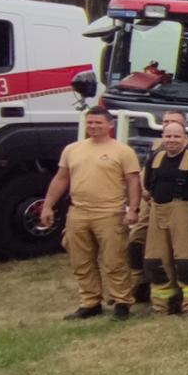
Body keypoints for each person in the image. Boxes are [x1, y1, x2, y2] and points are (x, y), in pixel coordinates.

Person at [44, 107, 142, 320]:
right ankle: (90, 302)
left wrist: (133, 209)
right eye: (90, 123)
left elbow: (133, 181)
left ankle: (122, 302)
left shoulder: (123, 151)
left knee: (114, 260)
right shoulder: (72, 149)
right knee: (81, 260)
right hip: (78, 212)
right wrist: (47, 205)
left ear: (110, 125)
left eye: (98, 123)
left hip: (110, 213)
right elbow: (61, 178)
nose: (93, 127)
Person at [140, 122, 188, 317]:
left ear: (186, 138)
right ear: (163, 137)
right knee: (156, 260)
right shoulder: (156, 158)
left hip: (185, 213)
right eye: (168, 136)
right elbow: (147, 183)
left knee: (187, 260)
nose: (172, 140)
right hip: (157, 211)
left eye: (177, 137)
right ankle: (162, 305)